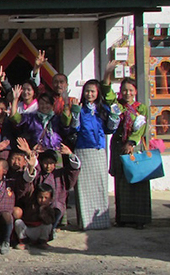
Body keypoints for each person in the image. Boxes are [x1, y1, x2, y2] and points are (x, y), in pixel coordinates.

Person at [103, 73, 151, 229]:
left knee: (138, 181)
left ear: (135, 91)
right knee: (121, 182)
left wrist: (131, 142)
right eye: (124, 90)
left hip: (135, 147)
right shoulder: (118, 106)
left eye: (130, 90)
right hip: (119, 146)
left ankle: (140, 219)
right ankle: (122, 218)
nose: (127, 93)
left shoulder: (141, 108)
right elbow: (107, 94)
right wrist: (107, 75)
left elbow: (141, 128)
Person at [72, 76, 118, 230]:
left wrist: (114, 117)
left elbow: (110, 129)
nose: (89, 94)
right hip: (82, 149)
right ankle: (85, 222)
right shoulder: (80, 108)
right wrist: (74, 113)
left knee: (100, 186)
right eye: (87, 91)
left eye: (92, 91)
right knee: (83, 189)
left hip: (98, 150)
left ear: (98, 93)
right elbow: (74, 128)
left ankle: (101, 221)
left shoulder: (103, 109)